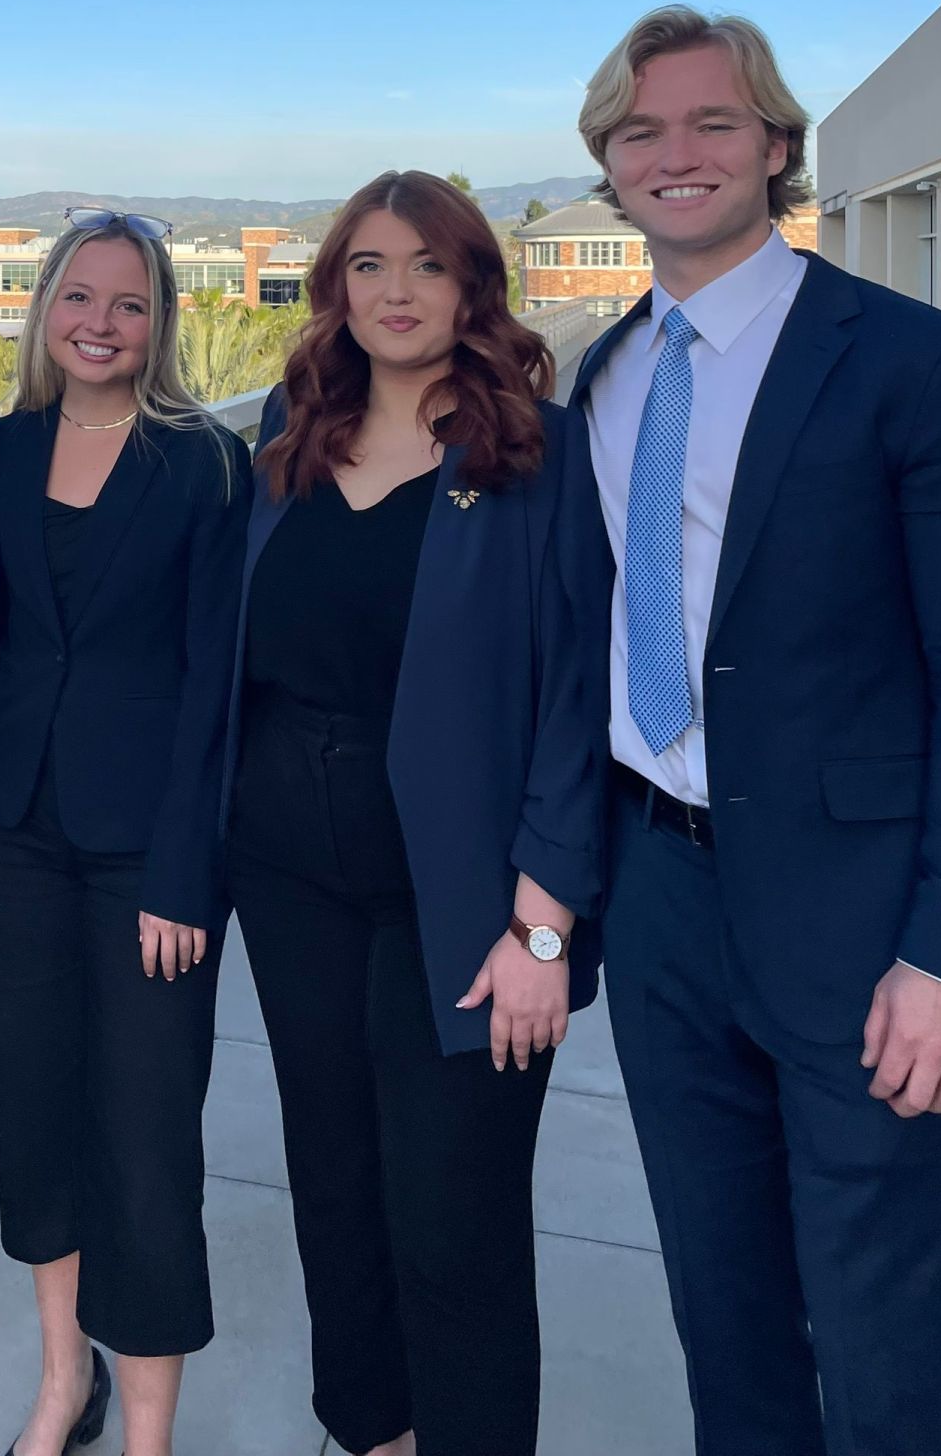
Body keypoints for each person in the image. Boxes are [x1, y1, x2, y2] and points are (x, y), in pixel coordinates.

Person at [562, 6, 941, 1456]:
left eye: (713, 122)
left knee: (885, 1323)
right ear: (608, 165)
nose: (677, 154)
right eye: (641, 131)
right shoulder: (598, 380)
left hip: (861, 926)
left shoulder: (910, 363)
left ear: (776, 146)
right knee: (720, 1299)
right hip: (663, 895)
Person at [222, 169, 600, 1456]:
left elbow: (574, 700)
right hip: (290, 878)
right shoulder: (290, 429)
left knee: (456, 1213)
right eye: (370, 265)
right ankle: (373, 1432)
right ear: (336, 285)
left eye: (427, 266)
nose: (396, 292)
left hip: (464, 901)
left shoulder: (532, 449)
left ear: (471, 287)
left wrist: (542, 927)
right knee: (334, 1184)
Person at [0, 209, 251, 1456]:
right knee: (35, 1110)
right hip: (13, 824)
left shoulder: (203, 465)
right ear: (45, 307)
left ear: (161, 321)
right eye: (81, 297)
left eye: (129, 304)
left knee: (144, 1138)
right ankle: (60, 1380)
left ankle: (147, 1429)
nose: (101, 323)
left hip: (149, 856)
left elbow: (214, 683)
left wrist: (186, 874)